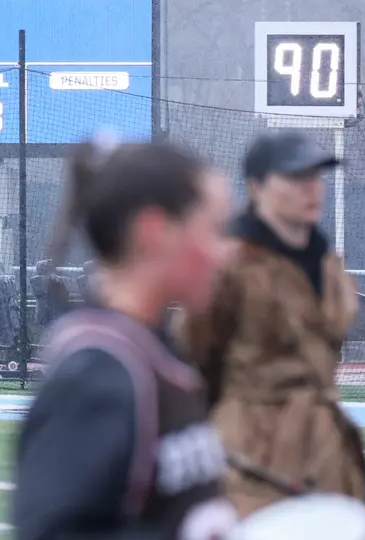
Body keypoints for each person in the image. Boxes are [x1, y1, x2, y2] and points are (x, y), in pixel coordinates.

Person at [12, 140, 236, 540]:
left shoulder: (156, 351)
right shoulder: (98, 372)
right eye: (214, 229)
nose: (226, 253)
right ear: (154, 232)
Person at [179, 130, 365, 517]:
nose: (310, 189)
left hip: (329, 462)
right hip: (249, 468)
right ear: (256, 186)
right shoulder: (226, 266)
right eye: (296, 178)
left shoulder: (329, 266)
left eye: (315, 178)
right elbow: (194, 360)